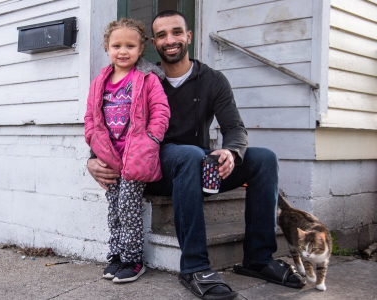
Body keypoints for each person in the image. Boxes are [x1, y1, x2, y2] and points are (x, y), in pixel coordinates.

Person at [88, 10, 305, 299]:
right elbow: (107, 118)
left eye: (177, 32)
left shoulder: (212, 80)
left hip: (199, 166)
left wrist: (231, 151)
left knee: (263, 158)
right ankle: (195, 267)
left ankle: (259, 259)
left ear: (188, 36)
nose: (170, 39)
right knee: (189, 155)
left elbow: (235, 128)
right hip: (154, 168)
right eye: (162, 35)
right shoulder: (144, 78)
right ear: (153, 42)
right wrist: (92, 158)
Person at [84, 18, 170, 284]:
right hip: (110, 158)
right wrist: (92, 141)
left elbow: (160, 111)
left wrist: (151, 139)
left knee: (128, 208)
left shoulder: (147, 79)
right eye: (116, 45)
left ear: (141, 48)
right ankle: (117, 256)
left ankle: (133, 260)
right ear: (107, 48)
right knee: (114, 210)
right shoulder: (100, 81)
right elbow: (90, 116)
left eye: (130, 46)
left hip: (136, 156)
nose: (123, 51)